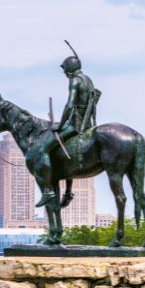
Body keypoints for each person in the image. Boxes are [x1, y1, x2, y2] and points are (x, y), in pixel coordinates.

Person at [33, 51, 100, 207]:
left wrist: (61, 125)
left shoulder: (75, 81)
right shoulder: (87, 79)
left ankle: (48, 191)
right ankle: (68, 192)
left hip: (75, 124)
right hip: (87, 123)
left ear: (70, 67)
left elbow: (70, 105)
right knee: (65, 152)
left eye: (65, 69)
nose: (64, 72)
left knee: (43, 148)